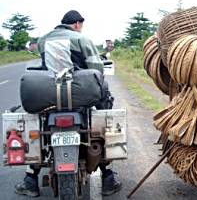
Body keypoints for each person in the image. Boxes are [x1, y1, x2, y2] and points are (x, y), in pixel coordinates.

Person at [15, 10, 121, 197]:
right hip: (79, 97)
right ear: (78, 24)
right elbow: (96, 70)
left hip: (49, 97)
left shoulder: (43, 40)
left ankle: (30, 180)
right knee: (101, 123)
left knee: (39, 129)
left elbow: (46, 65)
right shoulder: (82, 40)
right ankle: (108, 178)